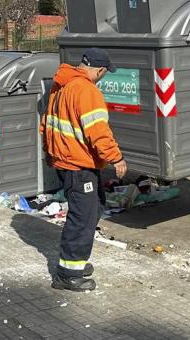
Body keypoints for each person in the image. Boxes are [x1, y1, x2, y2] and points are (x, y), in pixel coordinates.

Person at [41, 47, 127, 291]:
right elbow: (98, 132)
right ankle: (68, 274)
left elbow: (46, 124)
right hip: (78, 164)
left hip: (67, 161)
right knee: (82, 218)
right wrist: (116, 158)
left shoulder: (63, 85)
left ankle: (75, 263)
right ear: (99, 70)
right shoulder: (87, 91)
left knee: (95, 205)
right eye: (104, 73)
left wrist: (51, 154)